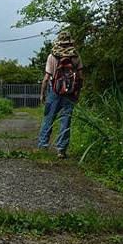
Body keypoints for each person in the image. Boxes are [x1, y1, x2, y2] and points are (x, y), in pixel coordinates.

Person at [37, 30, 83, 158]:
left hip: (55, 92)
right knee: (65, 121)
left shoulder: (52, 56)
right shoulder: (75, 56)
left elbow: (46, 78)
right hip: (70, 94)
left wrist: (42, 94)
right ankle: (61, 150)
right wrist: (77, 93)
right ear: (70, 42)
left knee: (48, 119)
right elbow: (80, 77)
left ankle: (43, 145)